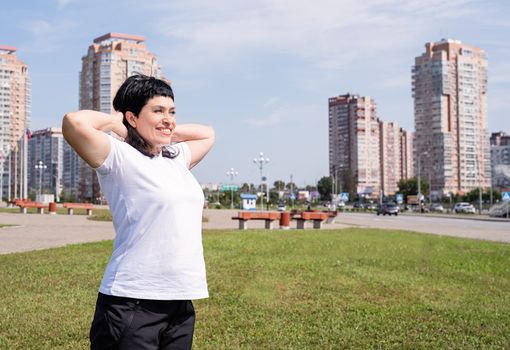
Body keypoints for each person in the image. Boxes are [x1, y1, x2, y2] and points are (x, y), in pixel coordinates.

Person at [62, 74, 215, 350]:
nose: (168, 118)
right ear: (132, 117)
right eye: (157, 110)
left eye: (172, 111)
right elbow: (73, 122)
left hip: (180, 303)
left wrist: (162, 128)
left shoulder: (174, 158)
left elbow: (208, 133)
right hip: (131, 302)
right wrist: (118, 124)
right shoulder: (119, 157)